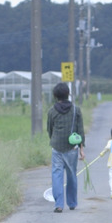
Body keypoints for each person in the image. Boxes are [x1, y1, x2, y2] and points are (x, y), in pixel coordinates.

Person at [46, 82, 85, 213]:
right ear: (68, 94)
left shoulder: (52, 111)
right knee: (72, 174)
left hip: (56, 147)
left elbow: (49, 129)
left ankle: (58, 204)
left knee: (57, 175)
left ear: (55, 96)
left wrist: (54, 140)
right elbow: (80, 130)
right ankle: (72, 203)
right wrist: (82, 149)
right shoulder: (76, 110)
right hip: (72, 148)